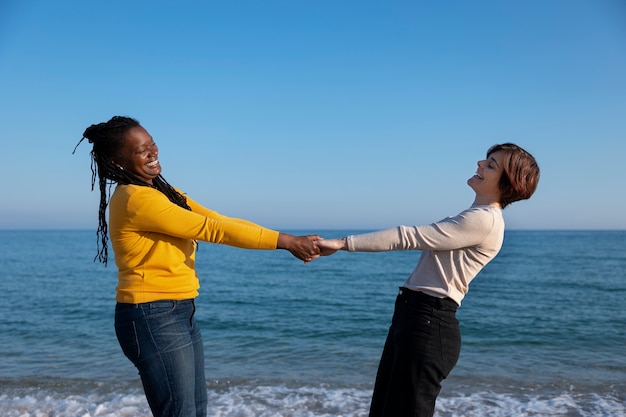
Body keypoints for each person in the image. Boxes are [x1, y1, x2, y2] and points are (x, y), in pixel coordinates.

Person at [73, 115, 320, 417]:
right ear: (117, 161)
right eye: (142, 151)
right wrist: (287, 242)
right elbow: (214, 231)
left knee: (194, 411)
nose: (153, 153)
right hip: (152, 315)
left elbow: (218, 219)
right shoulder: (137, 199)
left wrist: (288, 238)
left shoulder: (161, 192)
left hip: (178, 311)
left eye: (152, 145)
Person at [316, 143, 540, 417]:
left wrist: (342, 243)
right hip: (413, 317)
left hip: (429, 324)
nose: (480, 164)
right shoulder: (473, 216)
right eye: (486, 160)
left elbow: (407, 236)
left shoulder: (485, 221)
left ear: (508, 184)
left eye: (491, 165)